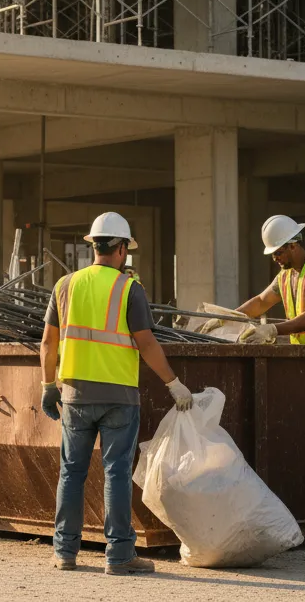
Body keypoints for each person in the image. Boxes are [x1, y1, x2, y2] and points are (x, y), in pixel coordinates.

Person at [39, 212, 194, 576]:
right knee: (117, 474)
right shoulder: (129, 289)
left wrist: (47, 386)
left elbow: (47, 343)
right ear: (122, 249)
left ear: (93, 246)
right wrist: (173, 383)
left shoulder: (65, 285)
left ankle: (65, 552)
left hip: (75, 395)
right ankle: (119, 556)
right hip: (119, 397)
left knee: (71, 473)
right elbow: (146, 343)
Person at [202, 215, 305, 345]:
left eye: (278, 253)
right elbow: (261, 302)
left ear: (293, 246)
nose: (275, 258)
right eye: (272, 254)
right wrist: (227, 319)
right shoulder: (285, 276)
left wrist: (272, 329)